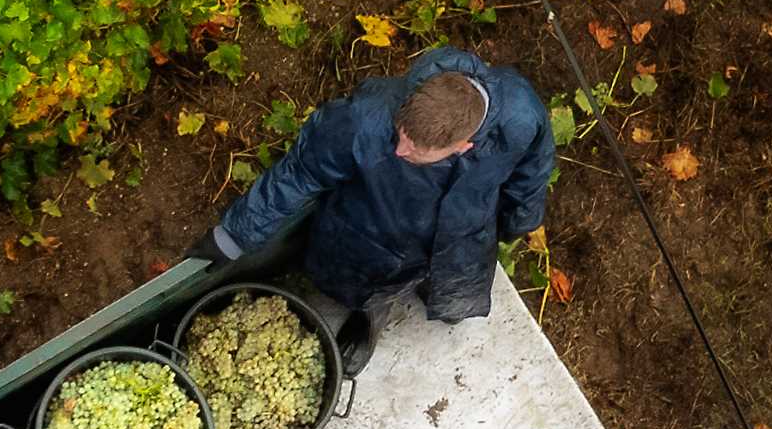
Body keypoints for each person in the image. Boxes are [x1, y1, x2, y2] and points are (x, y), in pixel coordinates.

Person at [200, 49, 555, 366]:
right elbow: (299, 173)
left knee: (454, 297)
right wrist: (233, 236)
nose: (399, 150)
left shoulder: (521, 116)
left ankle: (439, 295)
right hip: (377, 232)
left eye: (415, 153)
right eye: (401, 134)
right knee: (367, 284)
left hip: (462, 236)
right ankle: (368, 317)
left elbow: (532, 173)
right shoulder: (364, 119)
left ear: (464, 146)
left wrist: (518, 221)